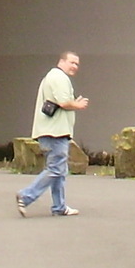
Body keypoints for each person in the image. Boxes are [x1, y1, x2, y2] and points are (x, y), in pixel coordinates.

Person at [16, 51, 89, 218]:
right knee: (55, 169)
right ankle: (26, 196)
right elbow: (63, 102)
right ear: (61, 61)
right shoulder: (59, 77)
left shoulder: (53, 77)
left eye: (77, 64)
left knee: (60, 171)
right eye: (71, 62)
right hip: (55, 132)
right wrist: (77, 105)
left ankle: (59, 206)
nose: (74, 66)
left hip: (52, 131)